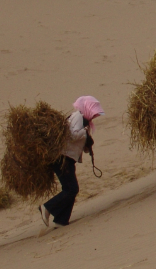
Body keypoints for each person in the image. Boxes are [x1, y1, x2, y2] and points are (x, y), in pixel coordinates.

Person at [40, 96, 104, 228]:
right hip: (62, 158)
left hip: (68, 159)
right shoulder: (78, 117)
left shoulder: (84, 122)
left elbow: (77, 142)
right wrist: (85, 134)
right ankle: (47, 208)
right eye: (94, 112)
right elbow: (73, 135)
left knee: (70, 189)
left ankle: (61, 220)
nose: (95, 116)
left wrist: (87, 146)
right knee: (71, 189)